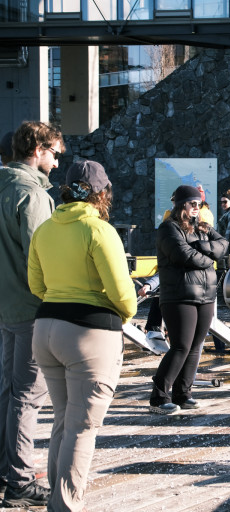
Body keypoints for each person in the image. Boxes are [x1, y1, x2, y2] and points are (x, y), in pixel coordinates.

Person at [28, 160, 136, 511]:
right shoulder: (99, 231)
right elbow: (124, 298)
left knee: (63, 420)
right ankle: (66, 507)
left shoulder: (45, 229)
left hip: (45, 330)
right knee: (82, 428)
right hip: (89, 336)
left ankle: (56, 504)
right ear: (102, 193)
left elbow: (37, 286)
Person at [0, 121, 64, 507]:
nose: (56, 164)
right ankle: (21, 480)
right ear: (38, 149)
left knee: (8, 390)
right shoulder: (33, 195)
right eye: (55, 154)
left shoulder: (3, 184)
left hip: (5, 305)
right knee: (28, 394)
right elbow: (41, 260)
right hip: (31, 307)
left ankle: (7, 467)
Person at [150, 185, 228, 414]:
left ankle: (183, 394)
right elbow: (183, 255)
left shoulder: (203, 227)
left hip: (206, 295)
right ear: (181, 205)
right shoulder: (168, 228)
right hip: (179, 296)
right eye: (192, 203)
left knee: (195, 347)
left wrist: (203, 247)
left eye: (199, 204)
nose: (197, 208)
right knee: (180, 346)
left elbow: (223, 244)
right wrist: (209, 257)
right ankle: (159, 396)